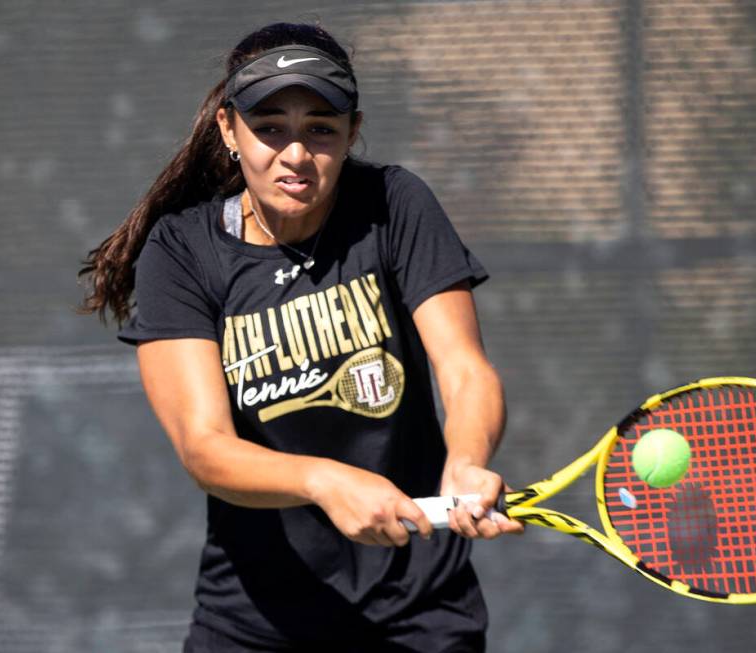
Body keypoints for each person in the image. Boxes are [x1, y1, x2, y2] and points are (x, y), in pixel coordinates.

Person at [79, 21, 522, 652]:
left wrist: (468, 459)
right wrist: (325, 480)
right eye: (270, 127)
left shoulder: (394, 204)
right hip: (257, 621)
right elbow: (205, 448)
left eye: (320, 127)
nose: (295, 153)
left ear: (352, 133)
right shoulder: (182, 250)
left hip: (421, 614)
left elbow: (465, 369)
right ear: (229, 130)